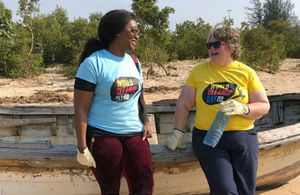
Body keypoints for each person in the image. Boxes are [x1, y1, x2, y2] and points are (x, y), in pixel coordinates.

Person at [165, 24, 270, 195]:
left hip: (242, 138)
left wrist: (243, 108)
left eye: (216, 45)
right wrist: (177, 132)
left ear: (231, 46)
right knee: (224, 190)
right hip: (209, 139)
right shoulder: (199, 71)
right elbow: (184, 103)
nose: (211, 49)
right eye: (208, 46)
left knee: (245, 191)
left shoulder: (246, 72)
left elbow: (264, 105)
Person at [74, 9, 154, 195]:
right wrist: (82, 147)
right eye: (133, 30)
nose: (137, 35)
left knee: (144, 187)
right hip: (103, 135)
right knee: (110, 190)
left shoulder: (134, 62)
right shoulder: (93, 63)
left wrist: (146, 121)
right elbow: (80, 109)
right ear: (117, 32)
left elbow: (139, 96)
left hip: (135, 133)